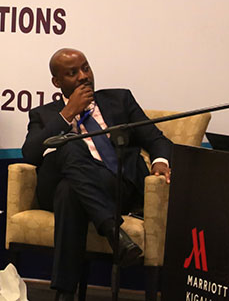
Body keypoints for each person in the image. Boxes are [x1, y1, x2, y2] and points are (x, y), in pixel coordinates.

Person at [21, 48, 173, 301]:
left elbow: (157, 139)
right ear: (57, 82)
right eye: (72, 73)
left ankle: (64, 294)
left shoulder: (120, 100)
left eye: (86, 68)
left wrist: (160, 162)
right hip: (58, 184)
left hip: (115, 185)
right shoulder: (44, 114)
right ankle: (115, 233)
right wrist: (67, 113)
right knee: (69, 145)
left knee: (69, 192)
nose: (83, 76)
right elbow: (30, 154)